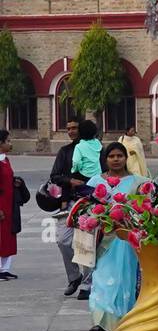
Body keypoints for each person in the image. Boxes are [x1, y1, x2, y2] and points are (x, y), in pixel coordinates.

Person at [84, 143, 145, 331]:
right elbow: (86, 209)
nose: (116, 159)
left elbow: (144, 208)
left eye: (120, 155)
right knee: (102, 276)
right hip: (103, 238)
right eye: (112, 156)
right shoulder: (95, 182)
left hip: (126, 237)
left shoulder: (138, 182)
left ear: (126, 158)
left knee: (124, 277)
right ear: (105, 159)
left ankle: (123, 319)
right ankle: (101, 321)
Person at [50, 120, 88, 297]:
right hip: (69, 202)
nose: (71, 131)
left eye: (75, 128)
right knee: (63, 241)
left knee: (87, 244)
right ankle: (74, 276)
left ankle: (88, 285)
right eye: (68, 129)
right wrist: (70, 181)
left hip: (90, 202)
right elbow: (55, 176)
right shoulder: (65, 152)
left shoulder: (94, 150)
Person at [0, 130, 16, 279]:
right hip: (1, 204)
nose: (10, 143)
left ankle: (4, 268)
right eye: (8, 141)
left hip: (9, 202)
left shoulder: (6, 160)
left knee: (8, 236)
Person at [71, 120, 103, 186]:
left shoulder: (79, 146)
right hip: (98, 174)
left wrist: (73, 170)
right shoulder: (98, 143)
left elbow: (76, 162)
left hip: (84, 176)